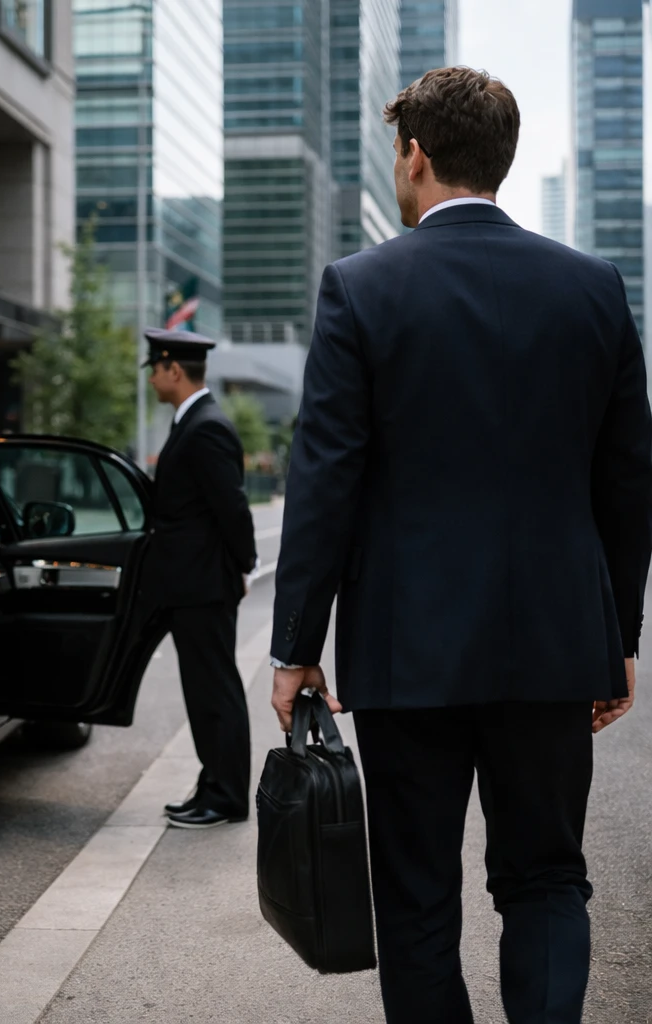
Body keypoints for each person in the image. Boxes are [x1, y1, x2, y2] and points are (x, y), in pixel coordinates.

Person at [269, 66, 652, 1024]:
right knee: (549, 881)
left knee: (416, 899)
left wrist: (295, 649)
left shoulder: (360, 289)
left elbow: (324, 483)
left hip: (411, 653)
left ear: (416, 155)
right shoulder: (594, 288)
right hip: (556, 646)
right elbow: (629, 481)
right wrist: (620, 636)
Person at [141, 328, 258, 829]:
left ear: (174, 370)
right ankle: (213, 784)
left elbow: (231, 506)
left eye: (154, 368)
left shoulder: (206, 426)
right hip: (192, 582)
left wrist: (244, 565)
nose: (150, 377)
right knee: (204, 691)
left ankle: (227, 795)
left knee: (216, 691)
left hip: (204, 584)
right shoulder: (192, 422)